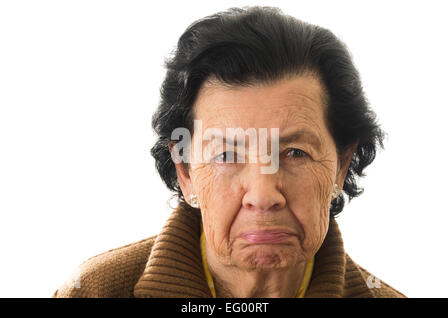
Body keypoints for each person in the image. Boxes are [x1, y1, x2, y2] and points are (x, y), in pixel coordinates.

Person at [53, 6, 406, 298]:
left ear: (341, 167)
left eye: (295, 153)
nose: (263, 195)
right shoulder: (92, 292)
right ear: (186, 172)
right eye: (226, 156)